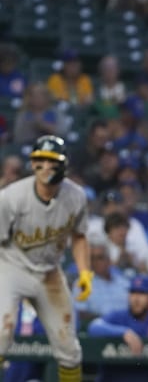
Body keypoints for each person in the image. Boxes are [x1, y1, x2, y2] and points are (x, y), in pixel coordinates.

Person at [0, 135, 93, 382]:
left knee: (69, 349)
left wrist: (84, 271)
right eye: (40, 160)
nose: (46, 167)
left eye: (52, 161)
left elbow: (80, 236)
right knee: (1, 334)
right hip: (11, 267)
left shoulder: (76, 196)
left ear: (64, 165)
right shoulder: (11, 196)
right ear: (32, 164)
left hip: (49, 272)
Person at [88, 275, 148, 382]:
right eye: (133, 292)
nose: (136, 298)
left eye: (142, 293)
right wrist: (124, 332)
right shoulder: (118, 316)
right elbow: (93, 327)